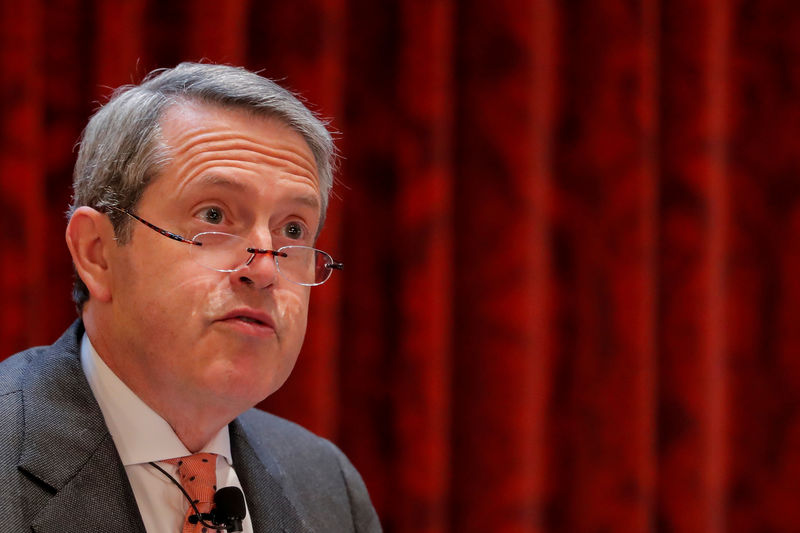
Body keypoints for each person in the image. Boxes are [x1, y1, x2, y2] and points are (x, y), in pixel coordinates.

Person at [0, 63, 381, 532]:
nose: (265, 268)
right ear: (98, 254)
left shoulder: (326, 485)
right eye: (215, 215)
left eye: (293, 229)